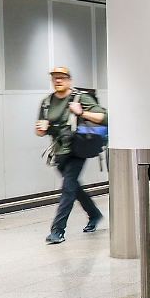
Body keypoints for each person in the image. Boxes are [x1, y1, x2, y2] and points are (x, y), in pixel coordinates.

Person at [35, 66, 106, 245]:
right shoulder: (46, 102)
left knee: (68, 189)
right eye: (55, 78)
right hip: (59, 152)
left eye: (62, 77)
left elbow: (103, 117)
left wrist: (81, 112)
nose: (58, 80)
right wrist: (41, 130)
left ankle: (57, 231)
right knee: (74, 187)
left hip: (77, 149)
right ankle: (95, 214)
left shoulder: (79, 97)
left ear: (69, 80)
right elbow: (41, 129)